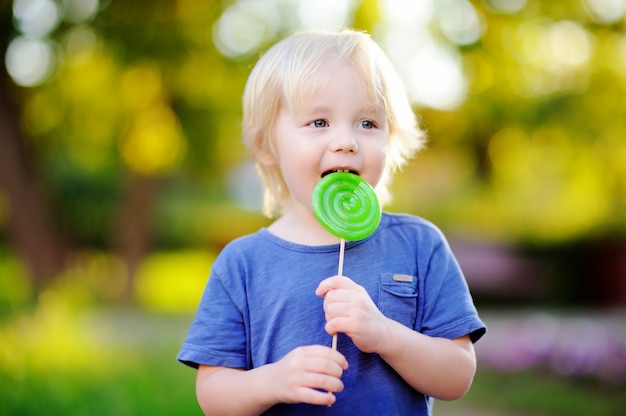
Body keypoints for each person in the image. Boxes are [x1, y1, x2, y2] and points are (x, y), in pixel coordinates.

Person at [177, 28, 486, 415]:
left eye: (368, 123)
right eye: (319, 122)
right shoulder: (242, 264)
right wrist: (272, 380)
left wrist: (386, 334)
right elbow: (213, 395)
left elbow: (458, 374)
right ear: (266, 146)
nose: (347, 141)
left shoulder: (419, 245)